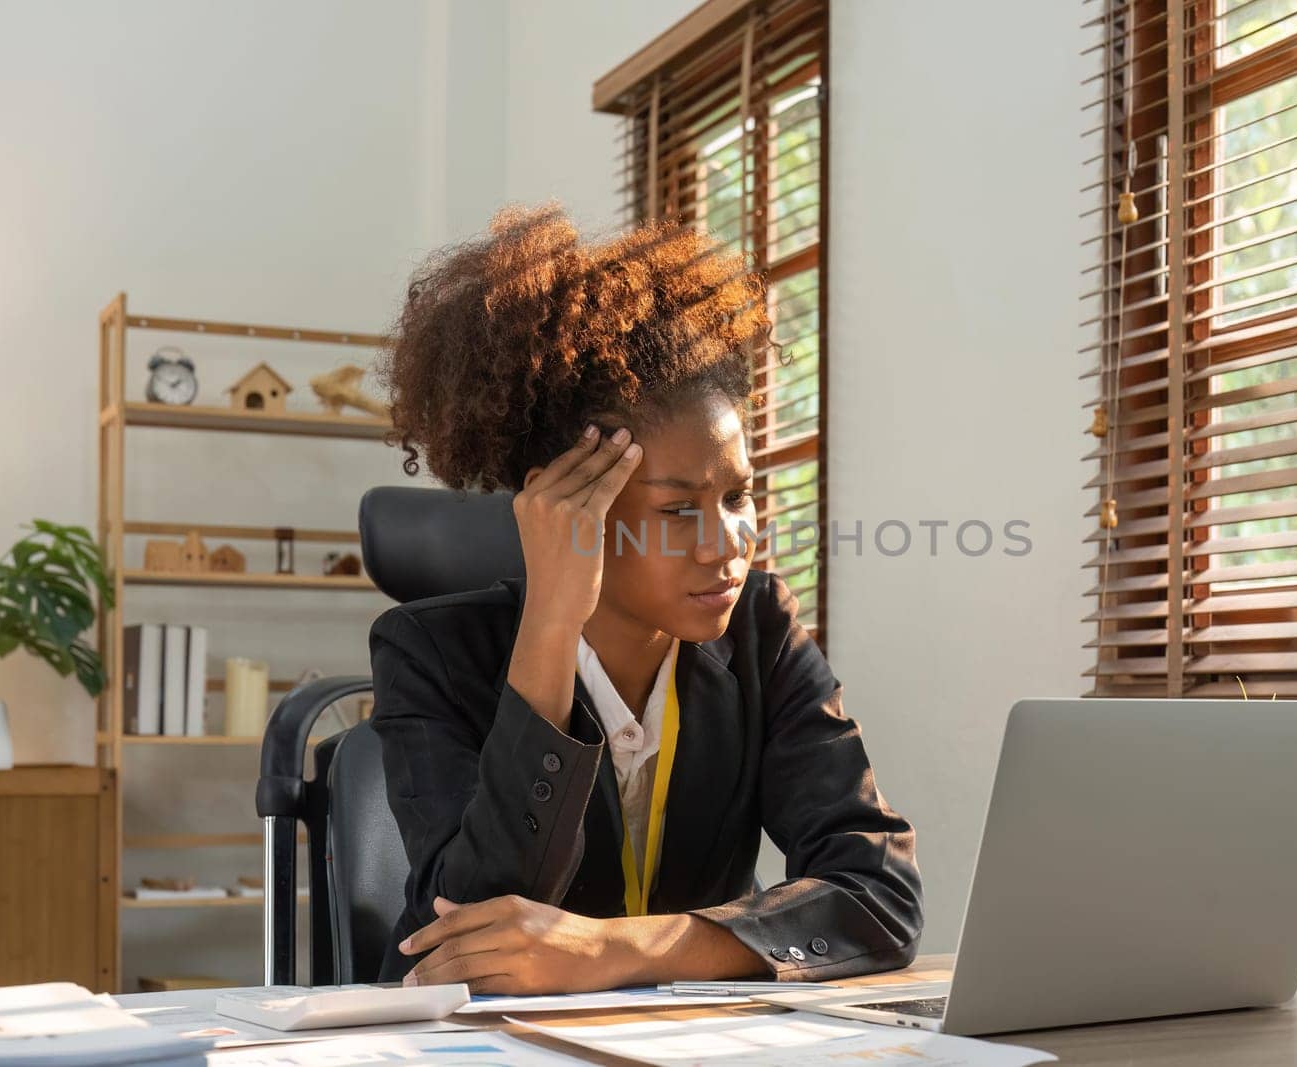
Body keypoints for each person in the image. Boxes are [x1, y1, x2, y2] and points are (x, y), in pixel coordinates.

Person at [365, 202, 923, 994]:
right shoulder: (428, 654)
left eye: (738, 496)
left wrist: (618, 949)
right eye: (676, 508)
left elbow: (880, 894)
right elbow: (478, 929)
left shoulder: (761, 630)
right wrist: (552, 625)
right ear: (566, 506)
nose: (727, 541)